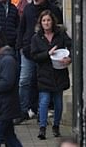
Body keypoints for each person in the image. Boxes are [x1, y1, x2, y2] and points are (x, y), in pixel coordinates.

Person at [16, 0, 63, 123]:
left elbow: (59, 29)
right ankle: (23, 110)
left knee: (42, 82)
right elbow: (22, 27)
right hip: (28, 50)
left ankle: (40, 110)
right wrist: (20, 45)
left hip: (46, 52)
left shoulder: (53, 11)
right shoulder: (28, 9)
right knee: (24, 80)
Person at [30, 10, 72, 139]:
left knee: (58, 102)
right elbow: (34, 56)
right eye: (44, 21)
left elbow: (71, 46)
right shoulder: (36, 38)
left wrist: (69, 58)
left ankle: (56, 126)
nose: (46, 23)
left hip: (59, 72)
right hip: (44, 73)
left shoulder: (60, 35)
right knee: (44, 101)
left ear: (52, 21)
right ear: (40, 23)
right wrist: (47, 54)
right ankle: (42, 128)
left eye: (48, 20)